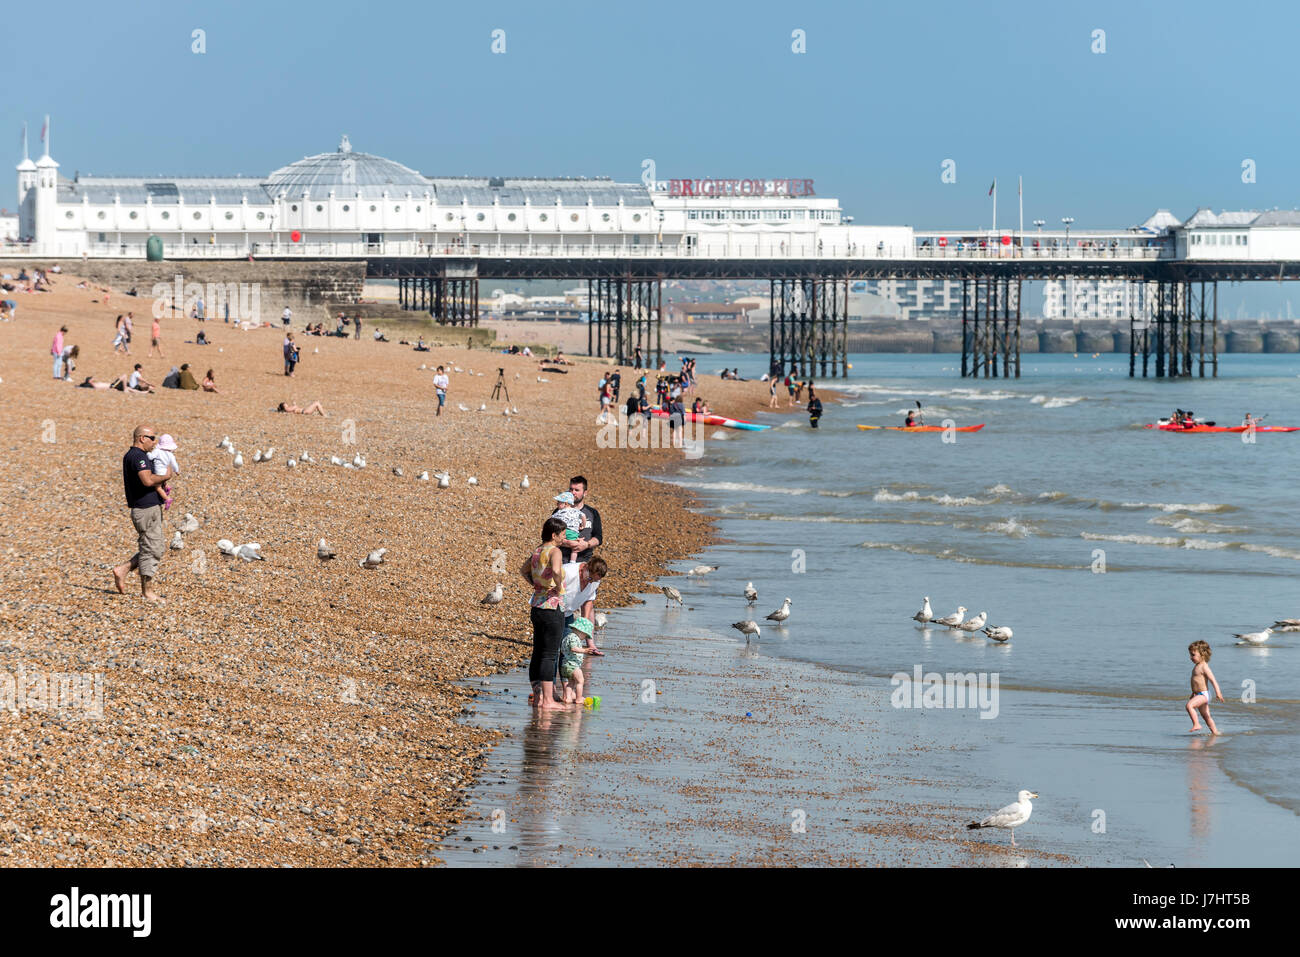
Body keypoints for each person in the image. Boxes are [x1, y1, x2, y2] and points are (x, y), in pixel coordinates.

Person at [112, 425, 172, 603]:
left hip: (149, 508)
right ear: (142, 438)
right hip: (145, 510)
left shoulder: (139, 456)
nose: (155, 442)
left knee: (156, 547)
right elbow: (147, 481)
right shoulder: (137, 456)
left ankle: (123, 569)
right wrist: (166, 475)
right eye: (152, 438)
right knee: (151, 549)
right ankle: (147, 591)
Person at [519, 517, 569, 710]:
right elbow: (556, 570)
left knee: (538, 652)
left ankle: (539, 697)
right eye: (562, 534)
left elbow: (523, 571)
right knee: (549, 654)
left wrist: (537, 586)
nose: (564, 538)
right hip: (551, 606)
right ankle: (548, 701)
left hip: (537, 606)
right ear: (553, 535)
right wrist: (558, 587)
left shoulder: (537, 551)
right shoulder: (554, 551)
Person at [562, 557, 608, 655]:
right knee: (552, 649)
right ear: (585, 567)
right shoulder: (568, 571)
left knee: (567, 651)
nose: (591, 582)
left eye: (595, 580)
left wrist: (584, 621)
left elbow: (588, 600)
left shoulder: (595, 581)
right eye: (590, 578)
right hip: (553, 612)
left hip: (568, 615)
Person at [1186, 640, 1223, 735]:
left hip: (1204, 694)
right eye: (1190, 655)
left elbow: (1213, 680)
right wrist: (1193, 693)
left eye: (1193, 655)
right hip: (1198, 694)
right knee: (1206, 716)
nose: (1191, 657)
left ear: (1202, 654)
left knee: (1189, 706)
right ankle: (1215, 732)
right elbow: (1196, 682)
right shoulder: (1197, 666)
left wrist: (1218, 693)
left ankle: (1196, 724)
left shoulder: (1204, 667)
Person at [564, 476, 603, 564]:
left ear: (585, 493)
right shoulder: (560, 511)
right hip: (562, 559)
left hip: (584, 562)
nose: (573, 493)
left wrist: (586, 545)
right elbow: (549, 536)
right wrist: (567, 543)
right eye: (571, 489)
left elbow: (598, 538)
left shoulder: (592, 513)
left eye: (577, 490)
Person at [558, 617, 591, 703]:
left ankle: (568, 698)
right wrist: (584, 650)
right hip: (572, 665)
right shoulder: (574, 637)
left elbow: (562, 649)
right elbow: (573, 648)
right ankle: (579, 698)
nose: (584, 638)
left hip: (565, 665)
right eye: (585, 635)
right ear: (580, 631)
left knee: (571, 683)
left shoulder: (567, 637)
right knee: (580, 681)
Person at [148, 433, 182, 511]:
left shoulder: (157, 451)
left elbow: (150, 457)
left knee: (158, 487)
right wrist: (176, 471)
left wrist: (146, 453)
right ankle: (166, 487)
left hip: (158, 473)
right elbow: (174, 464)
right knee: (163, 481)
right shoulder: (170, 454)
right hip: (166, 472)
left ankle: (167, 499)